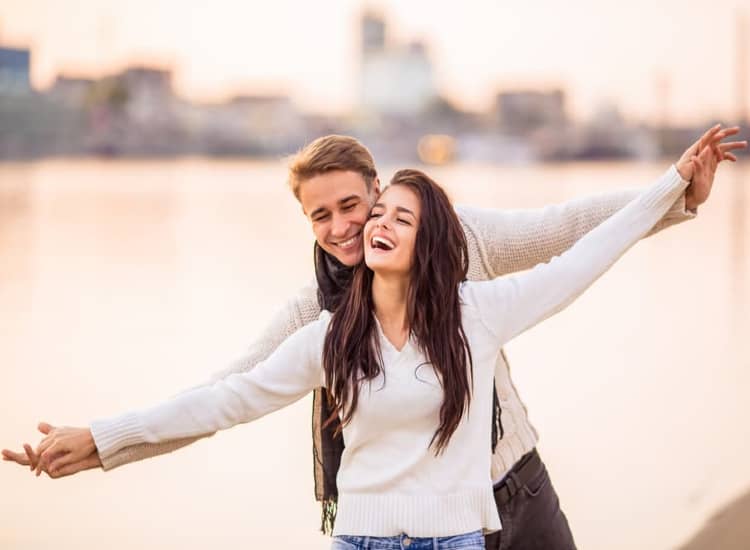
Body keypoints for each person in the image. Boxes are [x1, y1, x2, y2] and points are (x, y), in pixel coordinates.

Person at [4, 126, 745, 550]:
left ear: (379, 191)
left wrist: (677, 193)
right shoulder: (318, 323)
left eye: (352, 205)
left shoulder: (462, 248)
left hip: (518, 487)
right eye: (319, 217)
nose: (342, 229)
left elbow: (569, 232)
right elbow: (220, 398)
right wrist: (102, 443)